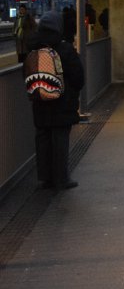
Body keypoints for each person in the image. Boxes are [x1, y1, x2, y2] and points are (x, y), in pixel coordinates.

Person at [27, 11, 85, 189]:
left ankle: (45, 178)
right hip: (62, 102)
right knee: (60, 140)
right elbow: (78, 77)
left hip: (40, 101)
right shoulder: (65, 48)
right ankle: (61, 178)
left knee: (43, 138)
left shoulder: (33, 48)